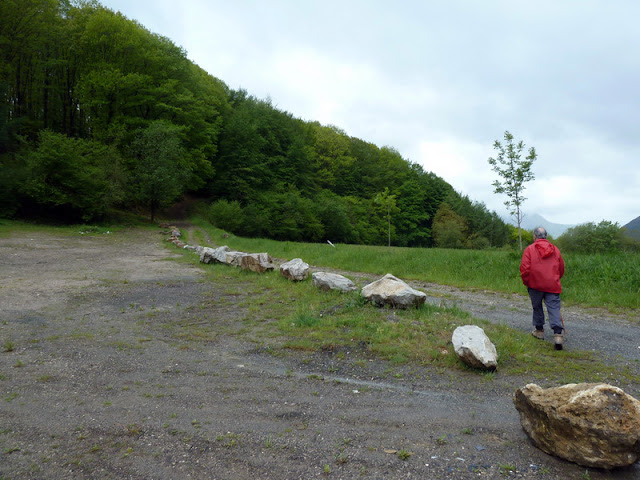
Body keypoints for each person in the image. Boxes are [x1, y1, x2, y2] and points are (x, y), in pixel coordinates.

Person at [520, 226, 566, 350]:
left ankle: (539, 331)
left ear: (535, 237)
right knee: (554, 308)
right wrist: (555, 278)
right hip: (552, 284)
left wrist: (527, 282)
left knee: (537, 306)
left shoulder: (530, 249)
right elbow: (561, 269)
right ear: (546, 237)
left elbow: (525, 268)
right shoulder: (555, 250)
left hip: (534, 284)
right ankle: (558, 335)